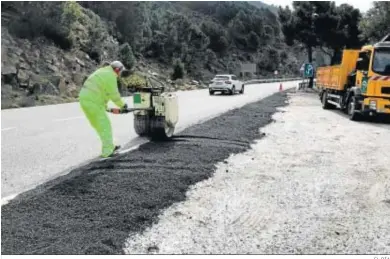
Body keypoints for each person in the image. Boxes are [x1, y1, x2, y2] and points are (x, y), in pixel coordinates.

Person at [79, 61, 128, 158]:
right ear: (117, 70)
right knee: (105, 126)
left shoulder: (103, 72)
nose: (120, 75)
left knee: (100, 126)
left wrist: (106, 108)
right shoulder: (110, 76)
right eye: (120, 72)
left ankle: (109, 146)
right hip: (93, 102)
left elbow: (103, 93)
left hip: (85, 100)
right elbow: (114, 95)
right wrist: (123, 105)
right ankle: (107, 152)